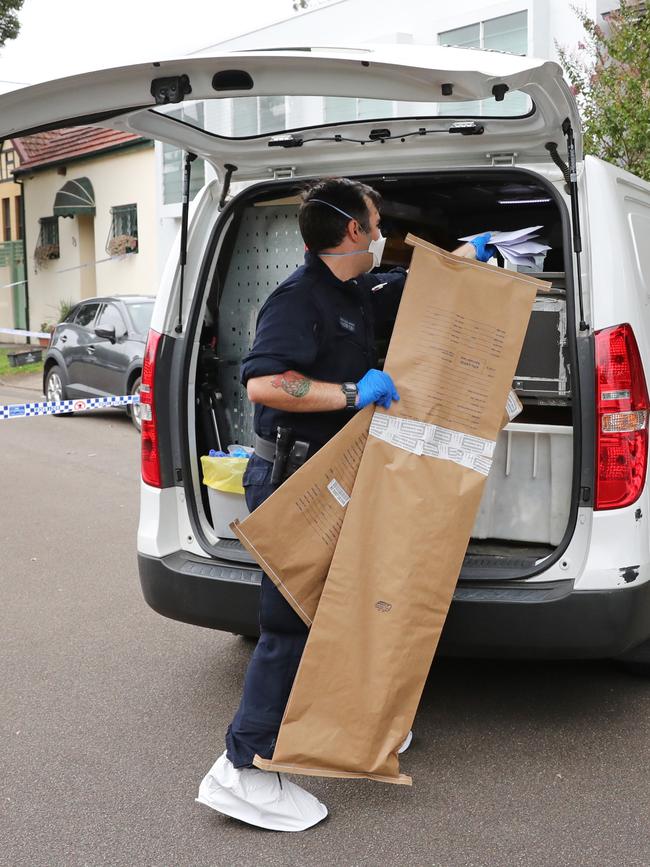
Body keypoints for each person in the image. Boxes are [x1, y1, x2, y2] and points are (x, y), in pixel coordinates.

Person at [196, 178, 494, 832]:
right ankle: (242, 768)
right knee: (288, 624)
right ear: (353, 231)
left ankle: (352, 726)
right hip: (292, 481)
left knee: (349, 603)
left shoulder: (353, 289)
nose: (382, 229)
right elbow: (267, 382)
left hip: (335, 474)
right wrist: (351, 390)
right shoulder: (298, 301)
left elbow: (401, 287)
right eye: (377, 220)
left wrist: (464, 261)